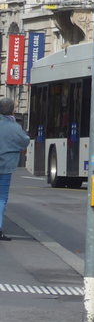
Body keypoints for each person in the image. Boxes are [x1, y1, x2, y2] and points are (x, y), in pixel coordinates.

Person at [0, 97, 32, 241]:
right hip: (6, 165)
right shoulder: (14, 127)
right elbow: (25, 141)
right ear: (12, 110)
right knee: (1, 198)